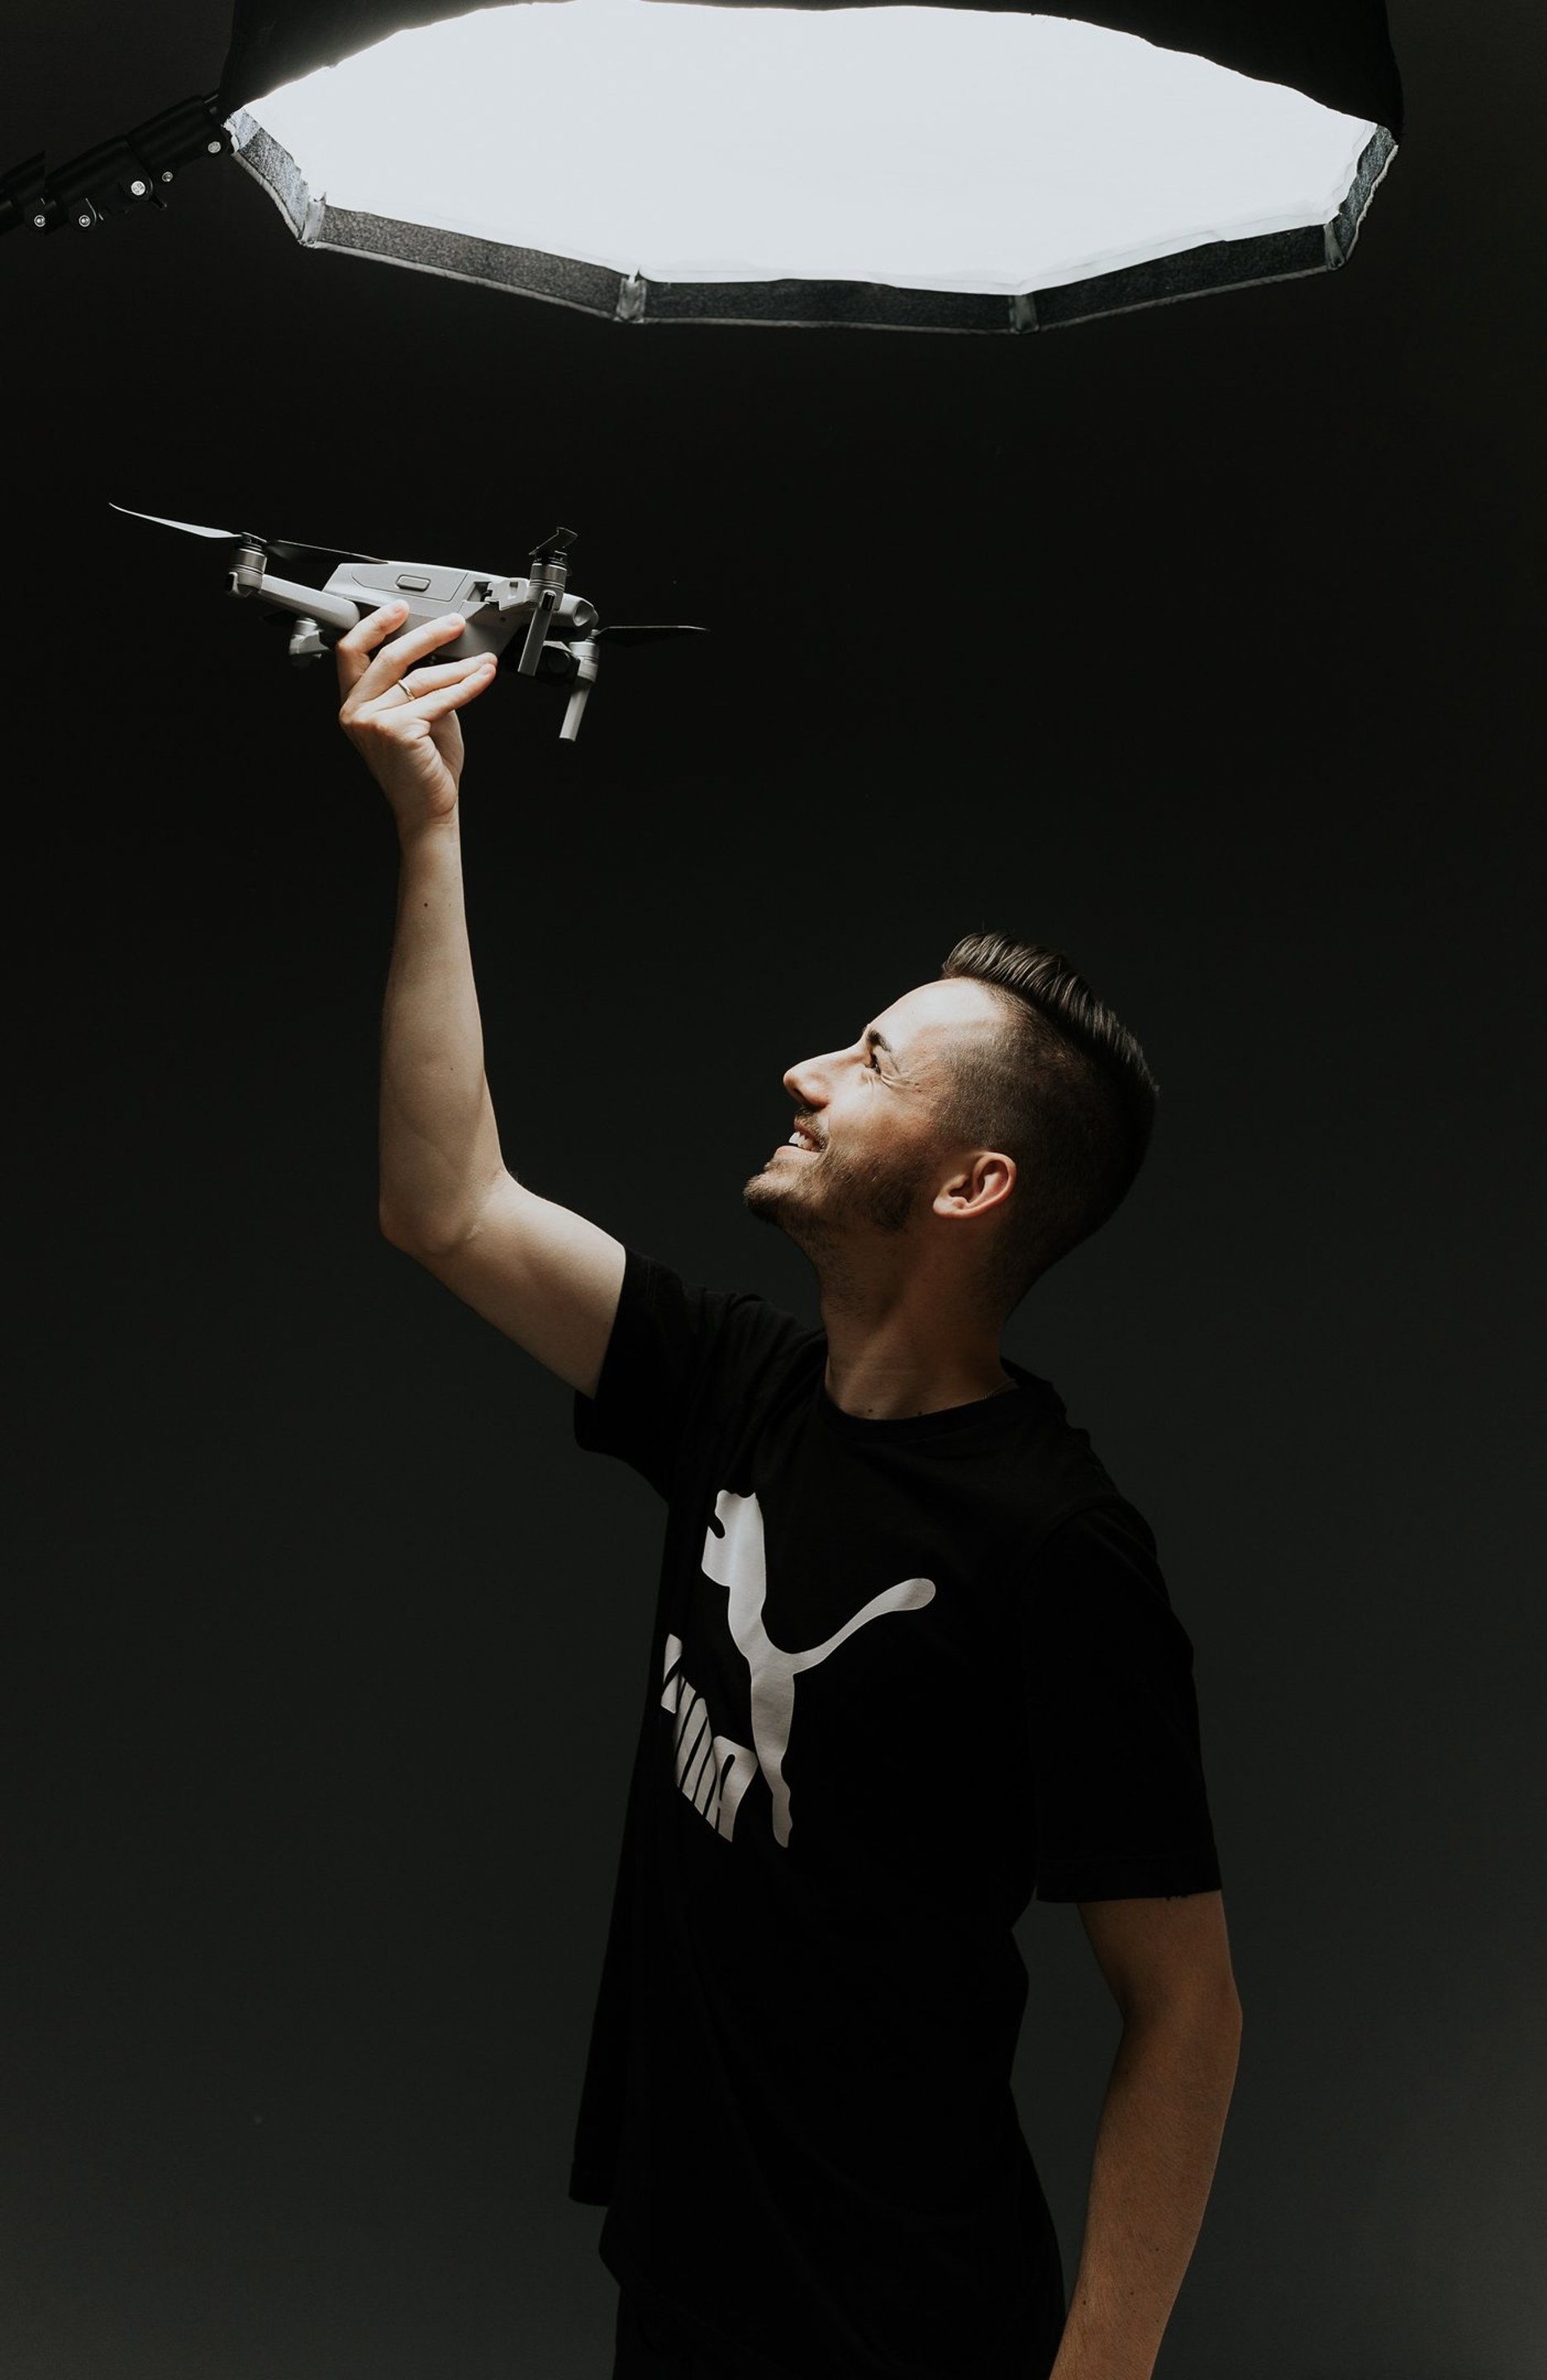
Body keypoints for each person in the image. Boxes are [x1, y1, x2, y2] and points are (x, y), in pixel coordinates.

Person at [337, 602, 1243, 2380]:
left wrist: (1103, 2377)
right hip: (685, 2279)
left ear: (974, 1185)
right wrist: (429, 826)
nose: (809, 1076)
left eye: (874, 1062)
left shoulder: (1056, 1548)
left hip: (907, 2327)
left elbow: (1186, 2009)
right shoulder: (735, 1384)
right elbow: (445, 1204)